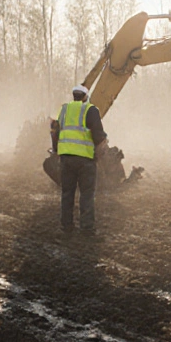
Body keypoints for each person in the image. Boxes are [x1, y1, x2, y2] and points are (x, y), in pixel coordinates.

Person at [51, 84, 107, 236]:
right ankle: (87, 228)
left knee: (67, 193)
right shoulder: (91, 110)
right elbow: (98, 136)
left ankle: (66, 226)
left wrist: (56, 151)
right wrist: (100, 152)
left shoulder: (64, 109)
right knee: (87, 194)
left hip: (66, 158)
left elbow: (55, 131)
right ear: (85, 96)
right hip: (85, 159)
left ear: (73, 95)